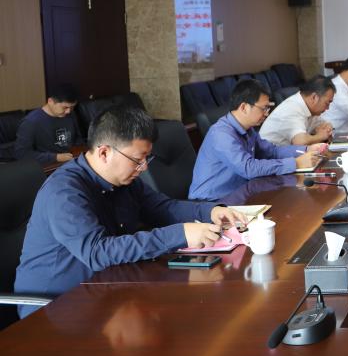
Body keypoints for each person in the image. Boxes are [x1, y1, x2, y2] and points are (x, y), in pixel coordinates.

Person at [13, 105, 245, 315]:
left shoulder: (123, 180)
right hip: (56, 307)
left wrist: (210, 211)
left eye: (146, 159)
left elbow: (161, 208)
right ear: (104, 152)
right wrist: (180, 234)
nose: (143, 168)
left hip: (107, 288)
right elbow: (98, 252)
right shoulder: (64, 192)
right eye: (137, 160)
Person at [188, 79, 323, 200]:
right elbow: (248, 168)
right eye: (264, 108)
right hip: (211, 203)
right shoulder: (221, 133)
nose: (266, 114)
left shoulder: (248, 129)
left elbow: (271, 151)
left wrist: (306, 149)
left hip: (239, 194)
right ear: (244, 107)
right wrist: (296, 163)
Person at [14, 84, 82, 164]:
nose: (68, 111)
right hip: (47, 164)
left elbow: (78, 139)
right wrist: (56, 157)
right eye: (65, 107)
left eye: (72, 107)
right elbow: (21, 154)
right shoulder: (31, 122)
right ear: (50, 101)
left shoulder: (70, 114)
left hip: (70, 159)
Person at [258, 75, 335, 146]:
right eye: (327, 103)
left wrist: (328, 127)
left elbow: (322, 125)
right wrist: (320, 136)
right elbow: (300, 141)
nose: (328, 108)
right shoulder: (291, 108)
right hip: (269, 155)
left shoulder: (310, 108)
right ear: (314, 97)